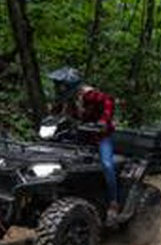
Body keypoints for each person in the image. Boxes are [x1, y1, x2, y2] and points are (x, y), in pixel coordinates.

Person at [47, 67, 119, 219]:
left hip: (100, 136)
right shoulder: (67, 99)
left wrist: (103, 121)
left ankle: (114, 202)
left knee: (107, 164)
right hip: (80, 135)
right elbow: (56, 113)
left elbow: (109, 100)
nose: (58, 88)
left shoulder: (89, 94)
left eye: (61, 85)